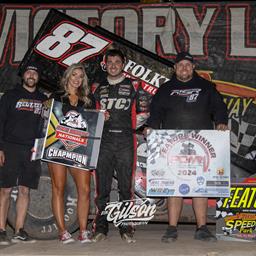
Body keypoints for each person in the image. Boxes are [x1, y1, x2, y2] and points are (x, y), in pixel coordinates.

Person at [146, 51, 228, 243]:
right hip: (172, 147)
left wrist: (221, 122)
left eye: (188, 65)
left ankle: (202, 228)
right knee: (173, 186)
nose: (184, 68)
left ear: (193, 68)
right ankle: (172, 228)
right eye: (180, 65)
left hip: (202, 146)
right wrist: (151, 127)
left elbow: (220, 108)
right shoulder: (165, 89)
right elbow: (155, 112)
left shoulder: (206, 87)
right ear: (175, 68)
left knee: (201, 186)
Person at [92, 49, 148, 244]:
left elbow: (144, 113)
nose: (114, 65)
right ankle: (100, 227)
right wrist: (98, 115)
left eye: (117, 61)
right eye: (110, 62)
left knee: (126, 187)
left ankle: (126, 227)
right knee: (102, 188)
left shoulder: (134, 85)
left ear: (123, 64)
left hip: (126, 141)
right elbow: (88, 114)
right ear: (105, 64)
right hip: (103, 141)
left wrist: (134, 126)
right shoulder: (96, 87)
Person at [48, 63, 95, 244]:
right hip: (57, 147)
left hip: (80, 149)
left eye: (80, 76)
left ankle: (83, 231)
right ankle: (63, 231)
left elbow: (93, 123)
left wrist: (101, 117)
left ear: (83, 79)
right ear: (67, 76)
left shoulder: (87, 99)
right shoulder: (56, 96)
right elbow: (47, 121)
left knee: (84, 189)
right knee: (58, 188)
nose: (77, 78)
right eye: (74, 75)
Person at [0, 65, 47, 245]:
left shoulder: (44, 100)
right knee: (5, 190)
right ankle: (1, 229)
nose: (31, 75)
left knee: (25, 190)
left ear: (38, 77)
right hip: (10, 147)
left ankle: (19, 230)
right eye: (28, 72)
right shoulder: (10, 96)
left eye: (35, 73)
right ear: (23, 76)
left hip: (32, 150)